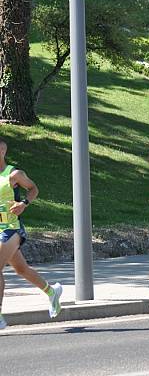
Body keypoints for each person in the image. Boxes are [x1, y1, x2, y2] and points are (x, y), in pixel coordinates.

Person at [0, 137, 62, 329]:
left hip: (12, 229)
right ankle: (52, 292)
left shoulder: (14, 174)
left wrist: (23, 204)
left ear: (2, 151)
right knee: (21, 269)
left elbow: (34, 189)